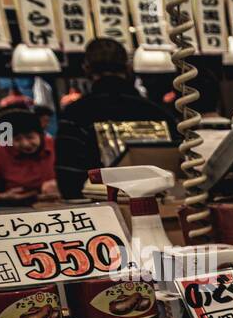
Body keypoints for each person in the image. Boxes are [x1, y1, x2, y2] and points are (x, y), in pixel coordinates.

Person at [54, 37, 177, 199]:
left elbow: (69, 180)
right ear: (128, 67)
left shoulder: (76, 114)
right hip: (161, 208)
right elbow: (177, 169)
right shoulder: (159, 112)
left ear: (86, 68)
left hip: (101, 213)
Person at [0, 108, 58, 205]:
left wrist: (59, 183)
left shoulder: (55, 146)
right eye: (17, 139)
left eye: (30, 137)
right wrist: (3, 197)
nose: (25, 144)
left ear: (40, 134)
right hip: (15, 209)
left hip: (55, 206)